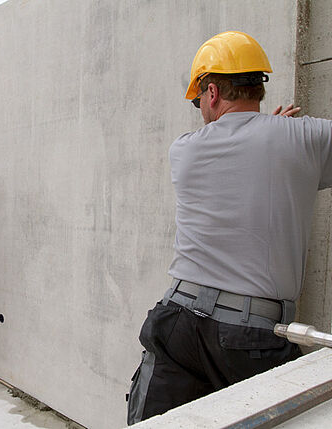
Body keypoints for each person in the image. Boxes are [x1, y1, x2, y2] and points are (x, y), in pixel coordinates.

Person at [127, 30, 332, 424]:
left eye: (198, 101)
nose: (200, 110)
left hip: (179, 320)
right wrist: (286, 137)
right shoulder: (304, 141)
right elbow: (269, 153)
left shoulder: (184, 150)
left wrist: (274, 136)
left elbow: (243, 153)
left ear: (213, 92)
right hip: (252, 336)